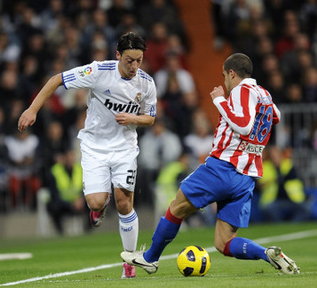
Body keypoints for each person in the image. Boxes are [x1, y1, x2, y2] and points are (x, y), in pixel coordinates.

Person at [121, 53, 300, 275]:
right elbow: (276, 116)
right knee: (223, 242)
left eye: (225, 75)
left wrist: (219, 100)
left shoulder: (241, 91)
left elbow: (243, 126)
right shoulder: (264, 94)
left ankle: (150, 259)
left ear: (232, 73)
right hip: (247, 176)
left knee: (177, 206)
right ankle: (267, 254)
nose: (224, 81)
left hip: (223, 166)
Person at [18, 32, 157, 279]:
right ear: (118, 56)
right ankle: (98, 207)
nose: (134, 66)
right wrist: (32, 109)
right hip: (94, 146)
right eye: (129, 60)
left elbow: (150, 117)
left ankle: (129, 261)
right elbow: (56, 79)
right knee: (95, 201)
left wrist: (133, 118)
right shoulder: (98, 71)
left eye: (138, 60)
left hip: (124, 147)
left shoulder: (146, 83)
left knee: (124, 203)